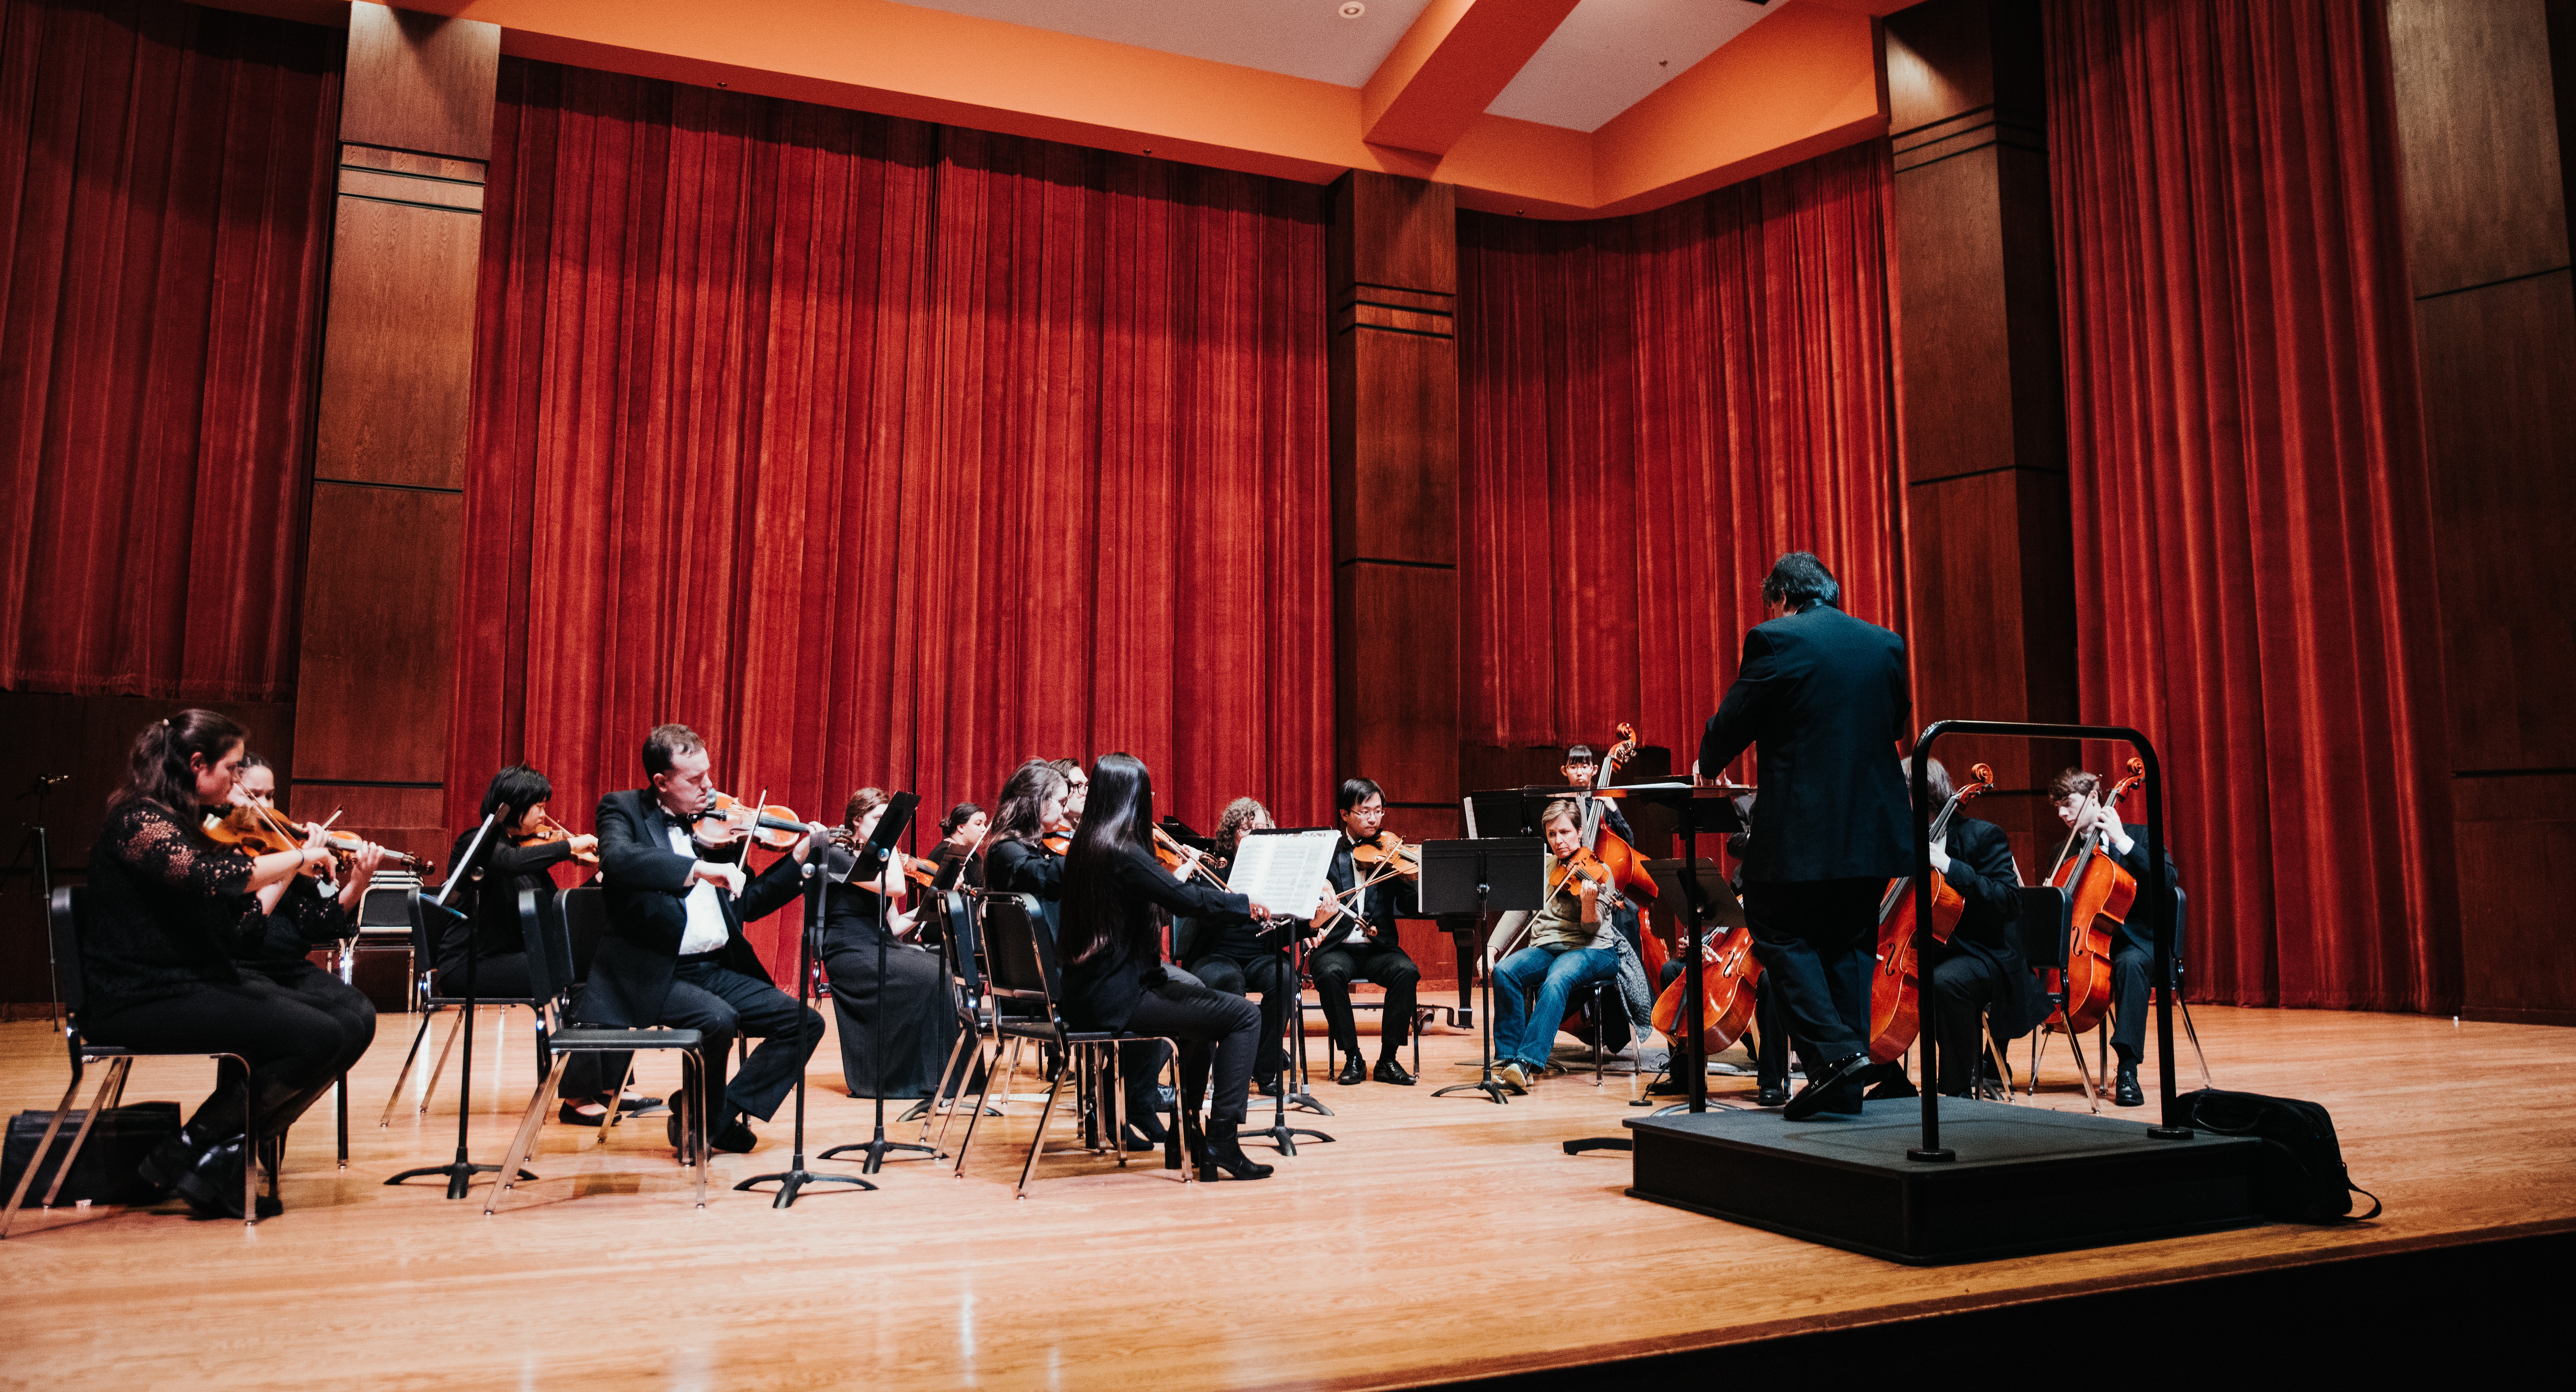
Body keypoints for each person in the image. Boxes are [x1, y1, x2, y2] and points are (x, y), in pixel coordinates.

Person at [84, 711, 383, 1218]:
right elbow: (208, 879)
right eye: (234, 768)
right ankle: (190, 1151)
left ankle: (210, 1159)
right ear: (197, 765)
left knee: (351, 1020)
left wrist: (297, 870)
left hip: (193, 982)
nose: (239, 781)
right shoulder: (139, 820)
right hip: (140, 994)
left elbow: (240, 922)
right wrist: (295, 859)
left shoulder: (189, 824)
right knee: (318, 1035)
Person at [1696, 552, 1911, 1120]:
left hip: (1801, 828)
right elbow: (1897, 725)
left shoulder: (1776, 640)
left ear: (1782, 597)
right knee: (1850, 946)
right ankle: (1840, 1087)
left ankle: (1836, 1053)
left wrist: (1709, 758)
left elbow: (1734, 720)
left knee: (1773, 928)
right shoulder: (1885, 643)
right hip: (1870, 830)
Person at [585, 724, 826, 1155]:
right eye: (695, 780)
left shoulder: (716, 830)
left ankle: (709, 1113)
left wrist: (797, 861)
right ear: (661, 782)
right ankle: (709, 1119)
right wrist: (695, 869)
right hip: (652, 971)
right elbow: (618, 859)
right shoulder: (622, 810)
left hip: (713, 968)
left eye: (708, 775)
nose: (709, 788)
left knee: (805, 1023)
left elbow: (747, 903)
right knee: (717, 1019)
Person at [1058, 753, 1278, 1181]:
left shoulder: (1087, 846)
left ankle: (1186, 1135)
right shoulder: (1122, 852)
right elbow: (1187, 902)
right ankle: (1221, 1140)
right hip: (1118, 997)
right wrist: (1242, 904)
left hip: (1092, 991)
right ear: (1134, 798)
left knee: (1201, 1013)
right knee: (1245, 1015)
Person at [2051, 766, 2182, 1108]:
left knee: (2131, 965)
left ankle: (2127, 1070)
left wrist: (2122, 841)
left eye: (2069, 803)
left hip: (2136, 943)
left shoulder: (2139, 837)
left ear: (2094, 798)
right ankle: (1995, 1060)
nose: (2062, 813)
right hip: (2085, 945)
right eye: (2058, 807)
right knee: (2021, 958)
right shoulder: (2063, 852)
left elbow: (2168, 881)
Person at [1919, 759, 2049, 1097]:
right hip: (1929, 947)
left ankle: (1957, 1090)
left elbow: (2008, 899)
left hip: (1984, 951)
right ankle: (1887, 1078)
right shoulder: (1906, 839)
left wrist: (1948, 865)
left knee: (1944, 983)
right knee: (1862, 977)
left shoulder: (1982, 835)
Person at [820, 787, 954, 1102]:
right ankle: (899, 1079)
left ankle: (938, 1078)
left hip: (879, 942)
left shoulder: (876, 860)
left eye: (888, 821)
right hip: (848, 949)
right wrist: (890, 843)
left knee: (939, 968)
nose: (885, 827)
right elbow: (895, 886)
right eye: (879, 819)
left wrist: (931, 904)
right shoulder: (836, 854)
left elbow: (893, 926)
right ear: (856, 821)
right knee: (926, 975)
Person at [1491, 801, 1624, 1093]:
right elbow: (1518, 910)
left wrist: (1589, 904)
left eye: (1565, 832)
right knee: (1504, 971)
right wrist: (1492, 948)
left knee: (1558, 978)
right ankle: (1510, 1059)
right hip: (1547, 947)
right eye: (1552, 834)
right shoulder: (1544, 867)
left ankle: (1526, 1063)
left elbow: (1591, 929)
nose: (1559, 841)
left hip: (1593, 950)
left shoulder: (1600, 873)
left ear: (1580, 832)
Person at [1178, 797, 1297, 1096]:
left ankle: (1265, 1069)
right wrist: (1239, 904)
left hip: (1260, 956)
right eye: (1247, 829)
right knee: (1229, 980)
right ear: (1232, 836)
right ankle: (1229, 1072)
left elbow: (1289, 930)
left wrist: (1314, 920)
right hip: (1215, 956)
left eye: (1262, 829)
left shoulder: (1277, 876)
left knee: (1286, 978)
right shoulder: (1213, 871)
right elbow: (1202, 915)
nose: (1256, 835)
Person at [1311, 777, 1424, 1085]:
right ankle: (1352, 1056)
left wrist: (1415, 879)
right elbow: (1307, 902)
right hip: (1335, 945)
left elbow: (1411, 907)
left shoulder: (1390, 852)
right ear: (1345, 814)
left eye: (1379, 811)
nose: (1374, 819)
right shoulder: (1325, 852)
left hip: (1379, 948)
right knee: (1331, 973)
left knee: (1406, 972)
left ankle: (1388, 1059)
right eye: (1365, 812)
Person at [985, 760, 1070, 935]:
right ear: (1039, 800)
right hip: (1038, 958)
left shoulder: (1035, 847)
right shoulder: (1005, 850)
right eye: (1062, 802)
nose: (1067, 810)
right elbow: (1039, 874)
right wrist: (1090, 854)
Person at [930, 801, 988, 890]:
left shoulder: (974, 856)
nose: (984, 829)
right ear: (961, 827)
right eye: (978, 824)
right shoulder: (945, 853)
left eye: (985, 824)